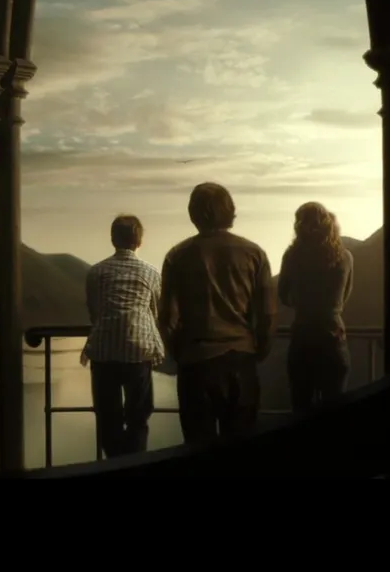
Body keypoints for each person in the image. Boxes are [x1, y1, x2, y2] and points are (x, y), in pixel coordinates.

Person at [159, 182, 276, 445]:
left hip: (196, 365)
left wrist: (181, 354)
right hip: (241, 363)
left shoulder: (177, 257)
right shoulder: (255, 254)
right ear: (229, 211)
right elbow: (267, 315)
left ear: (193, 214)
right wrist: (258, 351)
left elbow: (167, 318)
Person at [82, 214, 164, 458]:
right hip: (138, 349)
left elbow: (94, 310)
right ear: (139, 241)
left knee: (108, 417)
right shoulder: (151, 272)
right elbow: (155, 311)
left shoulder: (96, 271)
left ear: (112, 239)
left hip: (103, 349)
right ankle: (135, 461)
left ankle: (114, 463)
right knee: (138, 417)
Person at [279, 202, 353, 413]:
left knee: (301, 408)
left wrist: (302, 304)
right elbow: (344, 297)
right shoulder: (345, 257)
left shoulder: (292, 256)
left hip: (302, 338)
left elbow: (283, 295)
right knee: (334, 409)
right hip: (333, 337)